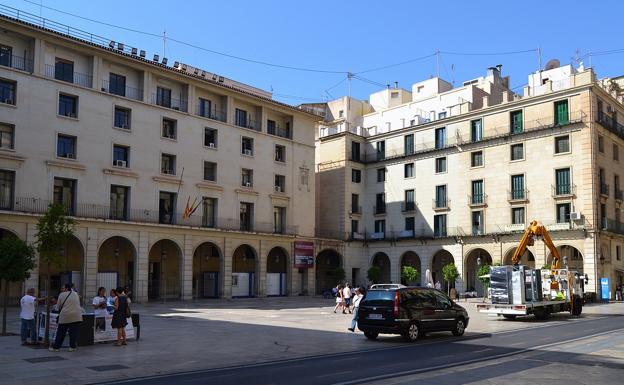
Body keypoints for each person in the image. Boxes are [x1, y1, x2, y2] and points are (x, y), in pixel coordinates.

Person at [49, 283, 83, 352]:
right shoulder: (75, 294)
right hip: (76, 316)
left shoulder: (61, 294)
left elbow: (58, 307)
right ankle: (72, 347)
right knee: (73, 333)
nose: (62, 289)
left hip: (65, 316)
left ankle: (56, 347)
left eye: (63, 288)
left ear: (67, 288)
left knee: (61, 332)